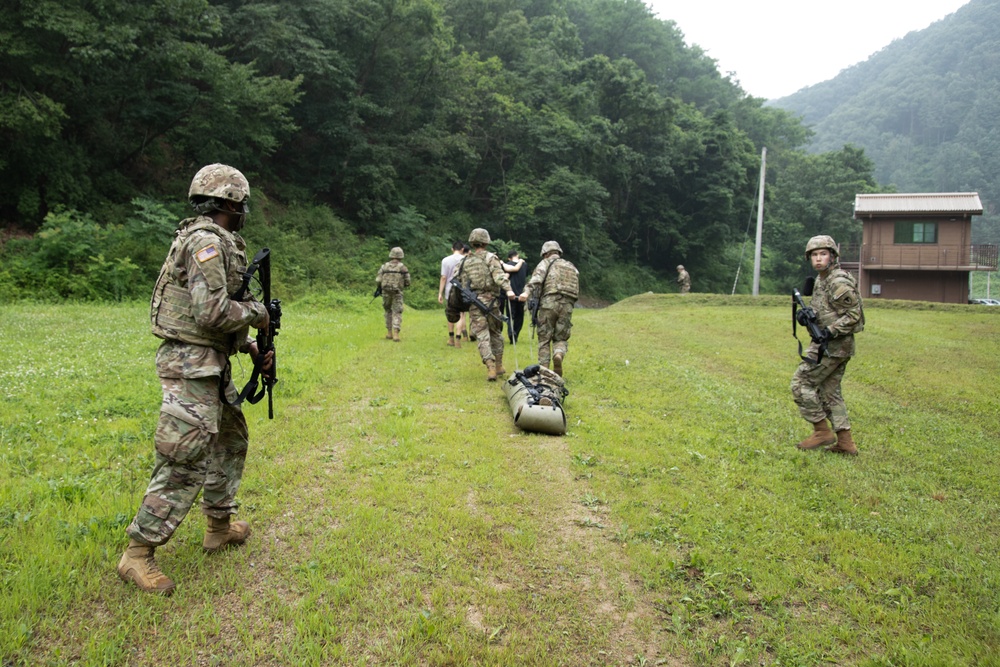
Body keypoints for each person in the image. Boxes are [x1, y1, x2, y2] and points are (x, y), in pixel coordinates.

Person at [118, 164, 272, 595]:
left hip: (208, 360)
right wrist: (258, 315)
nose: (244, 213)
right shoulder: (205, 241)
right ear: (227, 204)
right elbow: (211, 312)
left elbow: (209, 314)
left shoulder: (212, 241)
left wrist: (251, 346)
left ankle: (218, 525)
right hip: (190, 363)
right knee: (184, 455)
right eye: (241, 205)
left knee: (230, 438)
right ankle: (137, 554)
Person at [790, 235, 864, 455]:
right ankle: (846, 443)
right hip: (829, 345)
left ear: (832, 256)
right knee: (830, 393)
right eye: (814, 255)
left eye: (823, 254)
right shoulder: (822, 279)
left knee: (801, 382)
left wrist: (830, 331)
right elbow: (827, 310)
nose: (818, 259)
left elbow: (854, 315)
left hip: (833, 346)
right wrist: (807, 317)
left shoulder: (837, 281)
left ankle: (821, 431)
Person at [461, 228, 516, 380]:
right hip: (491, 302)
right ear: (486, 242)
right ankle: (498, 365)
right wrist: (509, 290)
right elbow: (499, 277)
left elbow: (463, 284)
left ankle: (490, 366)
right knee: (495, 333)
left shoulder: (465, 261)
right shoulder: (491, 258)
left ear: (472, 243)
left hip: (474, 302)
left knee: (482, 335)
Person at [519, 241, 579, 377]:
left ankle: (545, 371)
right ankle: (558, 354)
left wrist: (526, 293)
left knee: (544, 338)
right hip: (568, 304)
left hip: (549, 302)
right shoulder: (571, 266)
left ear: (545, 253)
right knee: (561, 337)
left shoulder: (545, 263)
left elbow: (537, 279)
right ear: (558, 252)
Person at [377, 247, 411, 342]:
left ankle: (389, 332)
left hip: (385, 292)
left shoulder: (384, 267)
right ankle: (396, 333)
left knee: (388, 311)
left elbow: (378, 279)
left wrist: (380, 288)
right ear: (401, 256)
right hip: (397, 292)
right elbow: (408, 281)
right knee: (397, 311)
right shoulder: (403, 267)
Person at [439, 241, 466, 347]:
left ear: (452, 249)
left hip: (450, 291)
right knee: (461, 314)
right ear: (462, 249)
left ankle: (451, 338)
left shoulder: (445, 260)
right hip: (462, 290)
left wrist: (440, 293)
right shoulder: (465, 259)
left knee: (450, 312)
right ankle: (458, 338)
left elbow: (443, 277)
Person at [502, 249, 527, 343]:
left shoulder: (508, 265)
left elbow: (505, 277)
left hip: (511, 294)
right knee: (519, 317)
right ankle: (516, 333)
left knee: (510, 316)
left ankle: (511, 332)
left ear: (509, 258)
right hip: (521, 294)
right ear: (518, 255)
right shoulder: (524, 265)